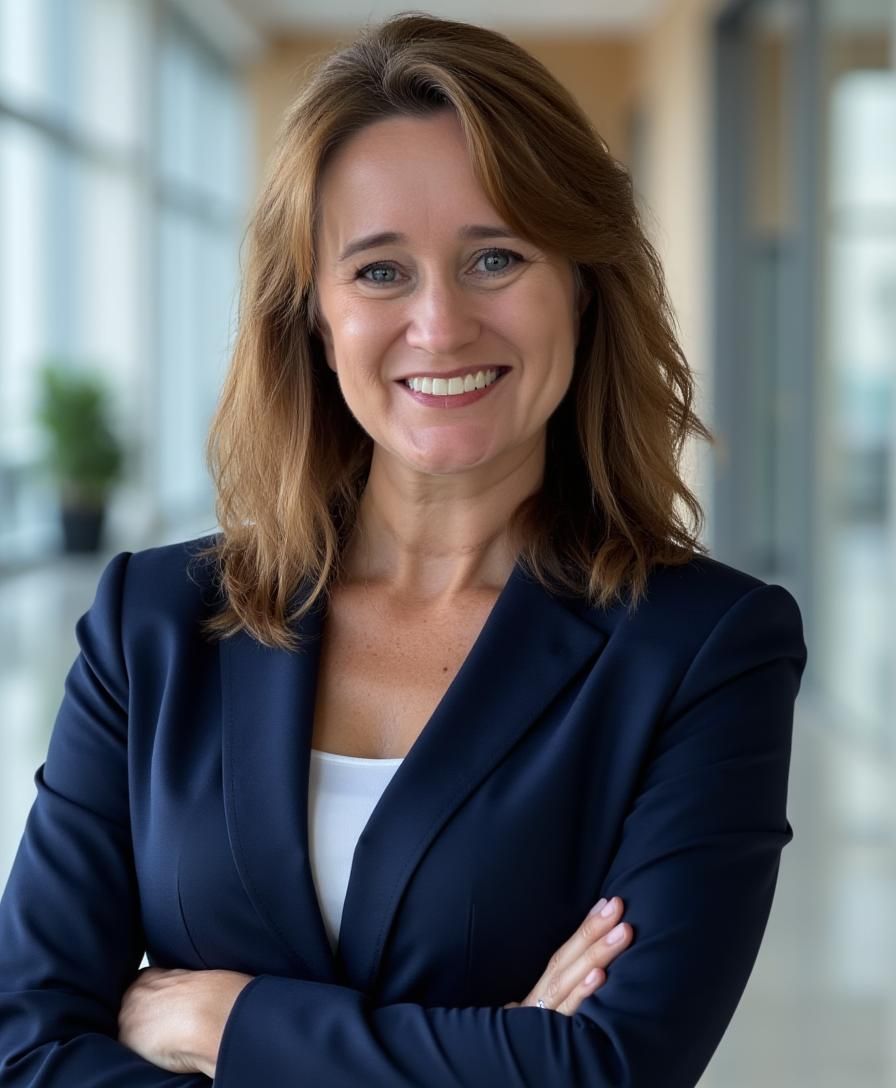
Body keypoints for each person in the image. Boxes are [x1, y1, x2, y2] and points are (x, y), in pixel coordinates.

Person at [0, 12, 807, 1087]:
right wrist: (496, 1046)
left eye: (494, 256)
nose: (439, 323)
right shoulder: (151, 621)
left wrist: (224, 1023)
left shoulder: (704, 649)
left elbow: (609, 1066)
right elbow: (26, 1039)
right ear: (316, 319)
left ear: (579, 283)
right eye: (380, 272)